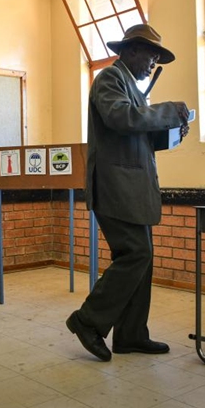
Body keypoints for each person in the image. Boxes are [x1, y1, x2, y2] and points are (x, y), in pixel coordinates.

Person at [66, 24, 190, 361]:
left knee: (142, 260)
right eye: (151, 55)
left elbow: (140, 138)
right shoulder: (109, 78)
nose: (153, 63)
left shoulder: (132, 89)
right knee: (135, 254)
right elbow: (121, 119)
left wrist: (173, 130)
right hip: (115, 189)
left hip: (132, 190)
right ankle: (87, 321)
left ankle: (131, 334)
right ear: (131, 50)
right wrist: (166, 111)